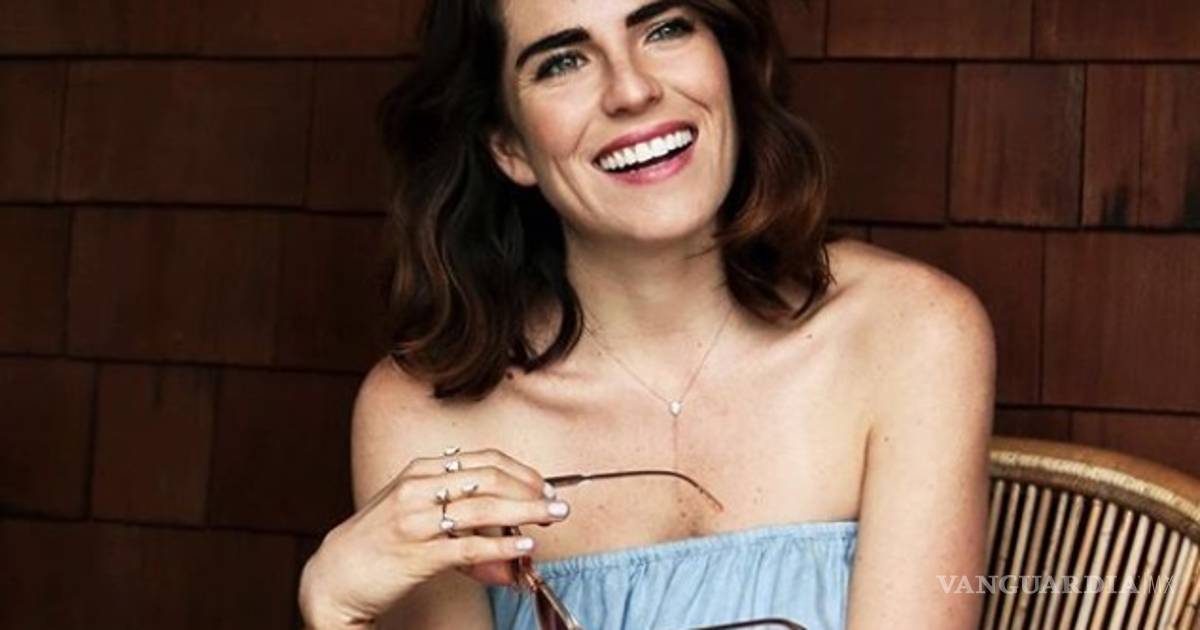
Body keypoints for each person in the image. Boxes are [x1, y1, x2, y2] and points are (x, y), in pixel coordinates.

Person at [298, 0, 996, 628]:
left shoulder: (912, 333)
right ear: (508, 146)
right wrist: (334, 614)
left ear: (727, 63)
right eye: (563, 62)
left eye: (664, 28)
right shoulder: (421, 416)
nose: (632, 90)